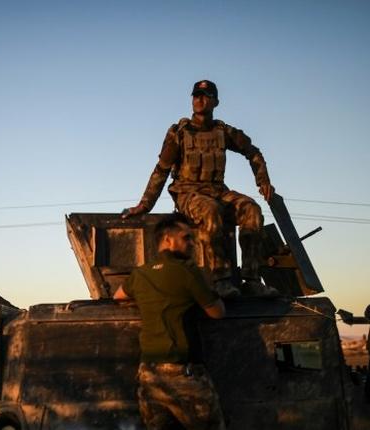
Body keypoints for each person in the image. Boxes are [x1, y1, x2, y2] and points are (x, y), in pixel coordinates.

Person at [122, 79, 278, 298]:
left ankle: (252, 280)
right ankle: (221, 279)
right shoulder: (180, 133)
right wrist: (144, 205)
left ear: (216, 102)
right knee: (210, 210)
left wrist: (263, 181)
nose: (199, 100)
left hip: (217, 190)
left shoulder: (223, 131)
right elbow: (161, 170)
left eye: (205, 96)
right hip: (188, 194)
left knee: (252, 210)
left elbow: (253, 152)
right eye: (196, 96)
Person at [114, 213, 226, 429]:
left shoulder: (140, 274)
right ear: (167, 239)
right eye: (186, 238)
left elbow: (118, 295)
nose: (192, 244)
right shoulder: (188, 272)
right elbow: (217, 312)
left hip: (149, 375)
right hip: (184, 373)